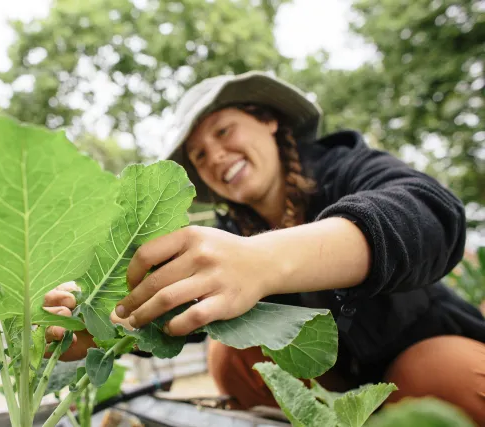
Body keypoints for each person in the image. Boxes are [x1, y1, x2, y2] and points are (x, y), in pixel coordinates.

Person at [43, 70, 485, 424]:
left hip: (422, 359)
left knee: (435, 373)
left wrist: (263, 260)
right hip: (333, 395)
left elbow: (431, 214)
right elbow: (176, 311)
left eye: (223, 130)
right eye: (198, 155)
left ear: (270, 120)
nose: (215, 156)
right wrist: (101, 329)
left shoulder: (342, 166)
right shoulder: (227, 232)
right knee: (232, 356)